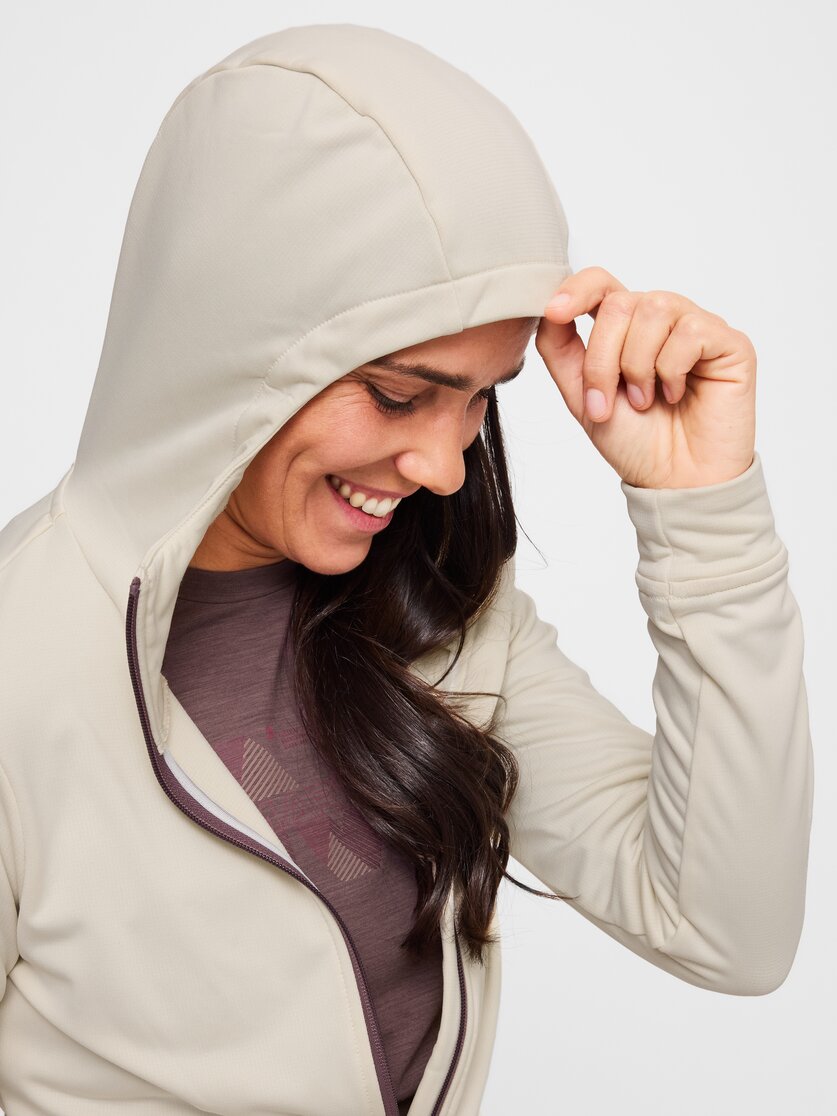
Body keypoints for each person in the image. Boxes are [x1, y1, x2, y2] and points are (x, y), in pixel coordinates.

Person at [0, 22, 813, 1116]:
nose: (443, 466)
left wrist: (701, 511)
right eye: (397, 394)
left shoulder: (442, 614)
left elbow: (727, 928)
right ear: (231, 342)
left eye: (480, 398)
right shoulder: (21, 664)